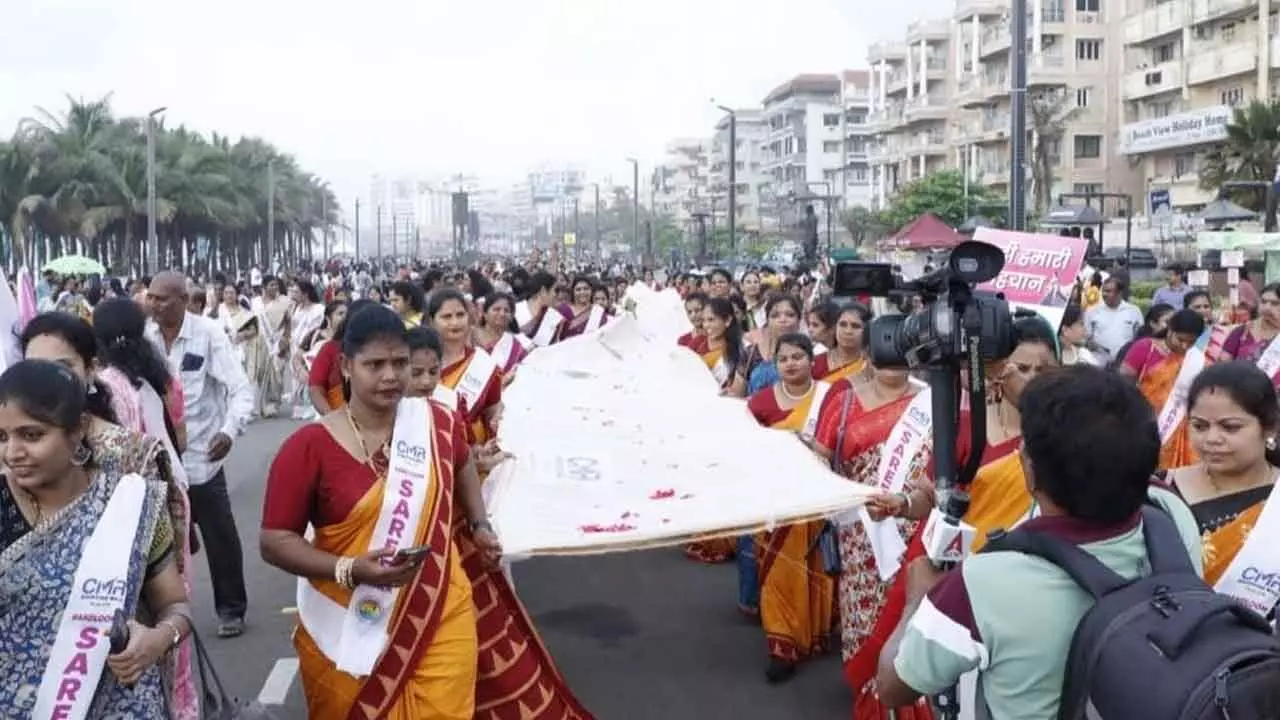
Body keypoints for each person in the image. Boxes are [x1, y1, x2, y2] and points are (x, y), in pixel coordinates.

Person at [875, 365, 1202, 719]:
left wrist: (917, 602)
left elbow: (893, 686)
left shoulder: (984, 582)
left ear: (1029, 470)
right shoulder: (1170, 513)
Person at [260, 304, 501, 719]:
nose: (391, 375)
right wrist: (348, 569)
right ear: (346, 366)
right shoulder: (308, 447)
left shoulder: (436, 424)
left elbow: (461, 461)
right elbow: (275, 540)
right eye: (375, 364)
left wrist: (479, 524)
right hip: (346, 624)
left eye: (400, 363)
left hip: (439, 609)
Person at [0, 360, 194, 717]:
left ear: (77, 430)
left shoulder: (131, 503)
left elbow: (176, 607)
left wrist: (157, 639)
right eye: (2, 437)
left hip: (124, 706)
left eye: (32, 435)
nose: (13, 453)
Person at [146, 271, 255, 638]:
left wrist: (228, 431)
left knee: (219, 536)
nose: (155, 305)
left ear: (183, 299)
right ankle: (164, 616)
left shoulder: (208, 334)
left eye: (163, 299)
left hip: (202, 461)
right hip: (160, 462)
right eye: (152, 297)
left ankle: (231, 609)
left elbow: (240, 389)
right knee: (160, 546)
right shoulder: (144, 339)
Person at [745, 332, 834, 681]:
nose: (791, 364)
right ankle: (782, 645)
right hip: (775, 499)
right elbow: (747, 450)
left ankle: (811, 634)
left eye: (798, 357)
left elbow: (839, 443)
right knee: (778, 572)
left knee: (813, 566)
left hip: (817, 499)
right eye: (784, 359)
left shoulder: (830, 399)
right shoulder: (761, 403)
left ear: (811, 360)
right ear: (775, 363)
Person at [1166, 361, 1280, 616]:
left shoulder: (1276, 501)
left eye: (1230, 427)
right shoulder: (1161, 491)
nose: (1211, 439)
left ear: (1269, 427)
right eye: (1199, 426)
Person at [1084, 277, 1143, 365]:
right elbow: (1085, 336)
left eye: (1108, 291)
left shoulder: (1133, 311)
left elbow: (1140, 338)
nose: (1104, 294)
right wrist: (1089, 344)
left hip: (1124, 363)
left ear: (1119, 293)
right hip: (1098, 364)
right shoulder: (1092, 311)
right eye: (1103, 291)